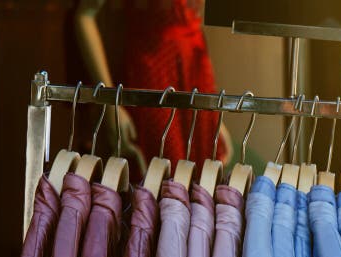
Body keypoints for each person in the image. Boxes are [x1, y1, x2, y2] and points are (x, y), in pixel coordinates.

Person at [74, 0, 230, 177]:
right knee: (165, 177)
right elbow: (84, 15)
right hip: (155, 77)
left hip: (197, 78)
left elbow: (191, 24)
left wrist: (214, 110)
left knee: (202, 184)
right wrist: (110, 102)